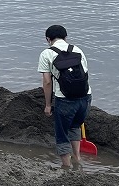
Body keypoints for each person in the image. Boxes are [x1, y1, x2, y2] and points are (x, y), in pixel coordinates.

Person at [37, 24, 91, 170]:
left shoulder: (46, 54)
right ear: (66, 37)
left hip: (65, 99)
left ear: (48, 39)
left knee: (61, 133)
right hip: (85, 97)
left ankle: (66, 167)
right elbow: (85, 74)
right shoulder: (78, 50)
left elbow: (47, 82)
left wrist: (48, 105)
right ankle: (78, 159)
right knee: (74, 126)